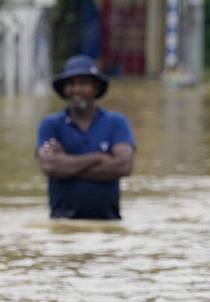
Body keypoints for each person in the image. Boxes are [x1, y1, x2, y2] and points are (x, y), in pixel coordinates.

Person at [36, 54, 136, 220]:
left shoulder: (117, 122)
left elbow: (124, 166)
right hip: (62, 223)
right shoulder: (50, 124)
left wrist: (66, 164)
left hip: (108, 223)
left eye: (83, 83)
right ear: (64, 89)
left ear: (96, 88)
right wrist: (99, 157)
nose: (76, 89)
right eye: (71, 84)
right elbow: (49, 167)